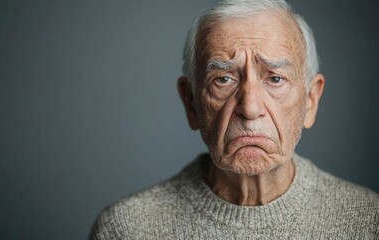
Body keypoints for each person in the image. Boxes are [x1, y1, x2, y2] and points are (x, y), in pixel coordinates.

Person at [91, 0, 379, 239]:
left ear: (310, 102)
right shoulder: (126, 229)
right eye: (224, 79)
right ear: (191, 103)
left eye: (275, 78)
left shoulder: (368, 222)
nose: (250, 108)